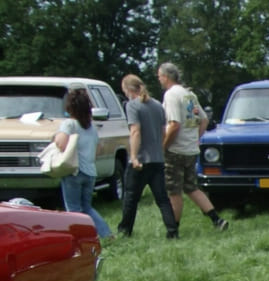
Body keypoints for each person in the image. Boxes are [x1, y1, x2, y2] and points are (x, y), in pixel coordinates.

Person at [157, 62, 228, 232]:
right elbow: (204, 120)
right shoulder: (190, 94)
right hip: (190, 150)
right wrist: (195, 138)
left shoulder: (171, 95)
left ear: (165, 77)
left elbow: (174, 125)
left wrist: (163, 146)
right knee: (191, 187)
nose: (159, 79)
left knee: (174, 192)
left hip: (176, 150)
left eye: (159, 76)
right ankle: (216, 220)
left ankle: (173, 230)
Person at [116, 74, 178, 239]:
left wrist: (134, 156)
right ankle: (172, 231)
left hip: (141, 160)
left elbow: (135, 131)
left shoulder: (132, 106)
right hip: (157, 159)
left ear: (128, 90)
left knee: (131, 197)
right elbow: (163, 131)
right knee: (162, 199)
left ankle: (124, 231)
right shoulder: (158, 105)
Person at [56, 89, 112, 239]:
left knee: (73, 209)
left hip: (74, 171)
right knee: (87, 207)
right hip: (90, 172)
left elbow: (61, 144)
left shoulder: (69, 124)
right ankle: (105, 234)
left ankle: (79, 238)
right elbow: (98, 148)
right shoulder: (91, 127)